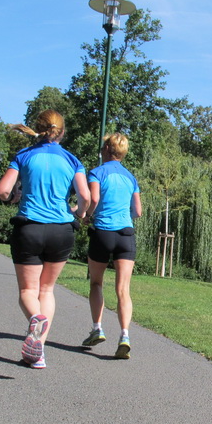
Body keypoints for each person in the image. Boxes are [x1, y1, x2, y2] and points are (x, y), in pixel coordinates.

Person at [0, 109, 90, 369]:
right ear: (62, 132)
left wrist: (12, 197)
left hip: (30, 228)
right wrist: (80, 213)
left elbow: (3, 190)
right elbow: (86, 197)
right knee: (47, 290)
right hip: (61, 231)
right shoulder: (72, 160)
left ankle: (35, 319)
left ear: (38, 129)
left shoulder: (24, 155)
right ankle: (38, 353)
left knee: (28, 291)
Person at [81, 133, 142, 359]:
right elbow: (138, 211)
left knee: (96, 283)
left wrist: (87, 215)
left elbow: (94, 199)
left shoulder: (97, 172)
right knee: (123, 290)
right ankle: (125, 336)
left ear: (107, 148)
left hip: (103, 233)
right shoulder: (131, 178)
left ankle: (97, 329)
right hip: (125, 234)